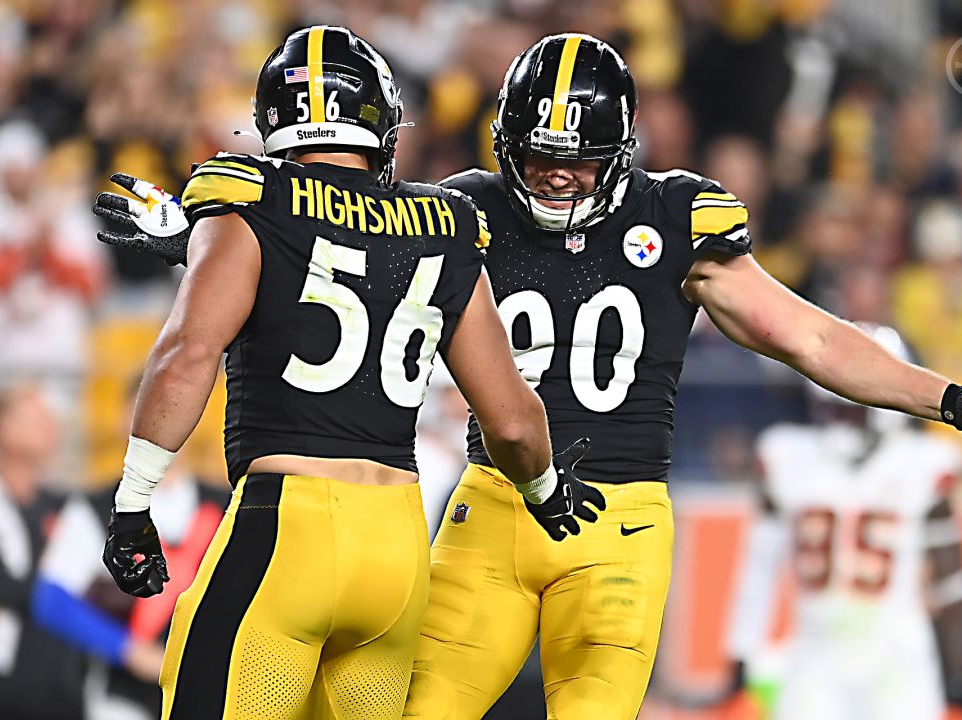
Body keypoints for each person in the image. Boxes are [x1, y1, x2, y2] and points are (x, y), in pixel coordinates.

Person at [98, 32, 962, 720]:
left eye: (573, 161)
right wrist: (194, 235)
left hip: (617, 520)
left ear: (619, 151)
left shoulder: (676, 218)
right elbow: (338, 237)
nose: (550, 178)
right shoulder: (461, 208)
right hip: (493, 506)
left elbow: (812, 340)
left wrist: (945, 397)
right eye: (536, 157)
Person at [94, 26, 602, 720]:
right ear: (379, 122)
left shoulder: (249, 192)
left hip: (289, 531)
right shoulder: (444, 221)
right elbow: (512, 419)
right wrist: (546, 490)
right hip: (395, 552)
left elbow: (189, 351)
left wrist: (132, 503)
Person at [723, 325, 962, 720]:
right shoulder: (789, 456)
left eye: (851, 409)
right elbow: (760, 566)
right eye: (831, 407)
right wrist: (741, 652)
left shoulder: (922, 464)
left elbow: (950, 586)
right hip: (815, 658)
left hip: (895, 661)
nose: (838, 421)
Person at [31, 385, 231, 720]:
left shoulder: (226, 504)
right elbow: (52, 598)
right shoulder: (94, 507)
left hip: (213, 687)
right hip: (122, 696)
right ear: (124, 423)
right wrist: (130, 651)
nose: (160, 422)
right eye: (143, 411)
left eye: (172, 409)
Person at [0, 382, 86, 720]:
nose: (52, 427)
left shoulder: (62, 506)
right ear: (3, 427)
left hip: (60, 689)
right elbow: (6, 586)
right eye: (38, 418)